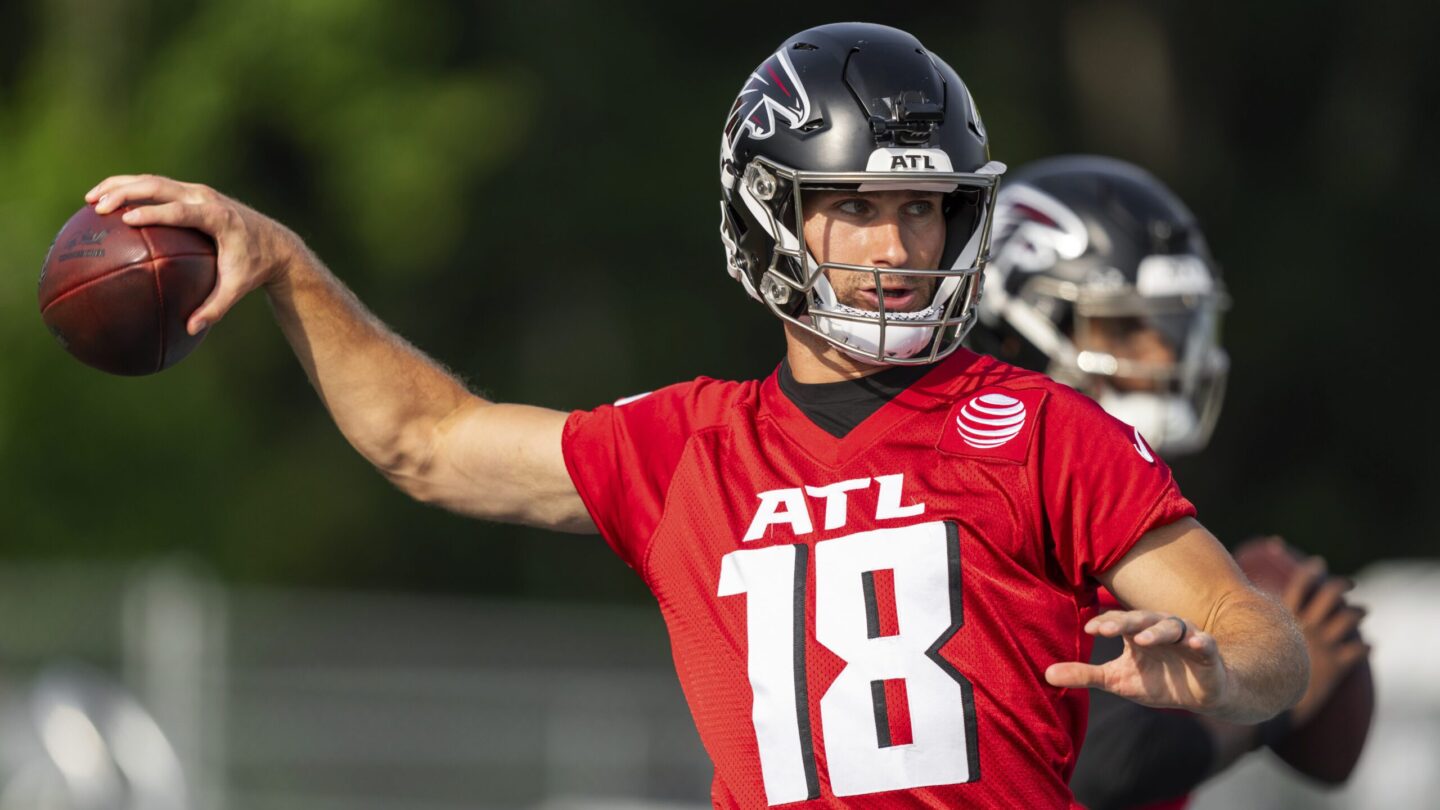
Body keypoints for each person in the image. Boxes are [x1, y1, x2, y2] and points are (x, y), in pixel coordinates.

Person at [83, 23, 1308, 809]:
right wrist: (289, 264)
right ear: (771, 213)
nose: (897, 244)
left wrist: (1218, 669)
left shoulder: (1035, 427)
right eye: (854, 206)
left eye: (925, 208)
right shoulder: (683, 446)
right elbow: (429, 441)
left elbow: (1266, 646)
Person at [974, 155, 1373, 809]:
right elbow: (1090, 767)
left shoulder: (1125, 497)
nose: (1164, 355)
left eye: (1170, 324)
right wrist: (1261, 697)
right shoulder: (987, 503)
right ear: (1014, 332)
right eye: (1126, 325)